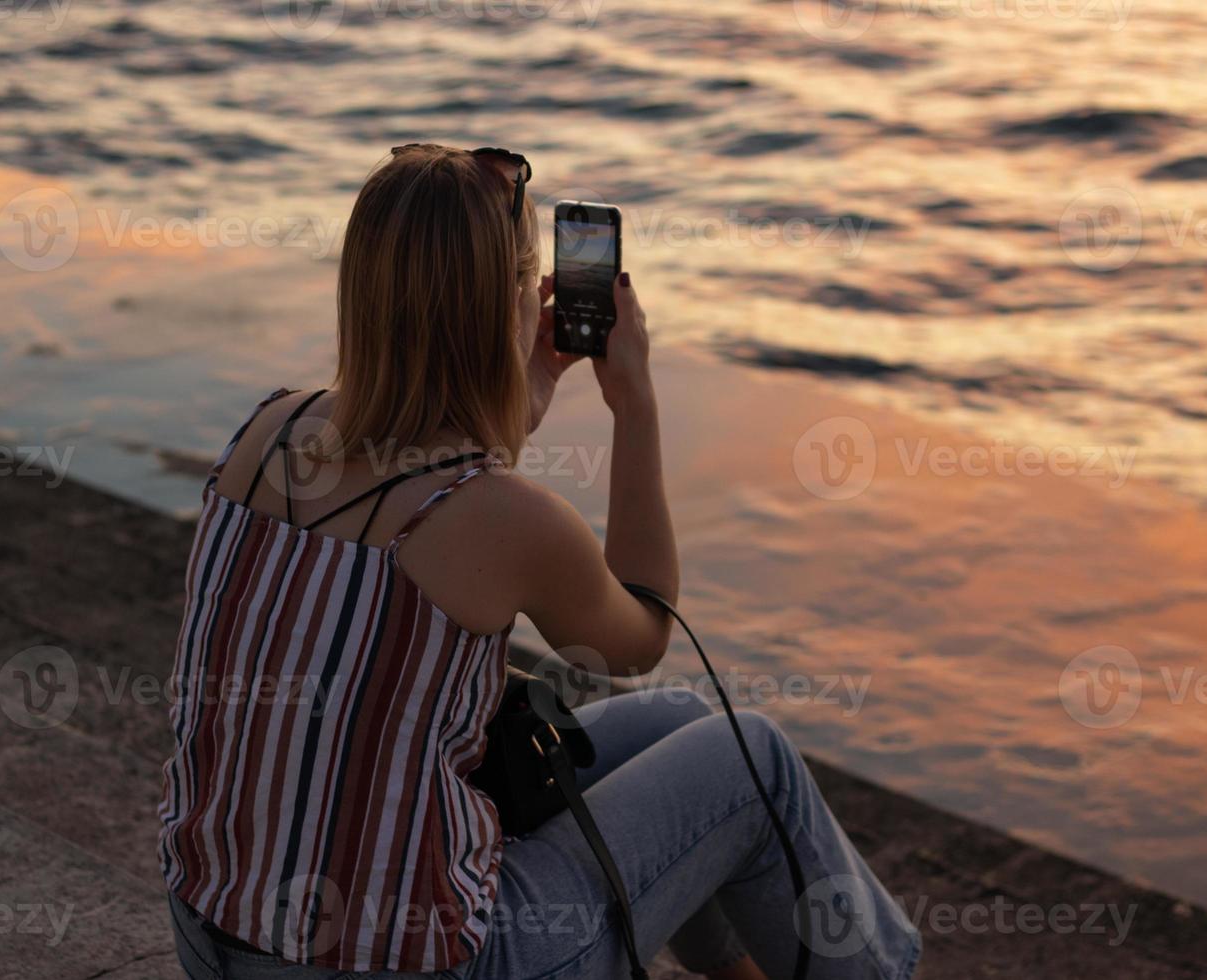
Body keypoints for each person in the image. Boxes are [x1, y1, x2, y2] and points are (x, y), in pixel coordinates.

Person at [157, 143, 920, 980]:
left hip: (214, 937)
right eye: (528, 284)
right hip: (424, 965)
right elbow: (641, 629)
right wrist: (636, 402)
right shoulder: (502, 518)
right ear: (510, 303)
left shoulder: (265, 432)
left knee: (681, 727)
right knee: (754, 759)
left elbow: (427, 497)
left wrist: (519, 405)